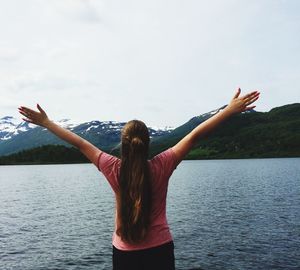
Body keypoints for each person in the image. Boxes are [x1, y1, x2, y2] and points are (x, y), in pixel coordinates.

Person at [18, 88, 260, 270]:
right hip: (160, 250)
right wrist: (229, 110)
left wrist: (46, 123)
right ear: (148, 144)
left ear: (123, 146)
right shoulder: (162, 164)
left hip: (124, 253)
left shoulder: (112, 168)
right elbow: (195, 135)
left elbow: (79, 143)